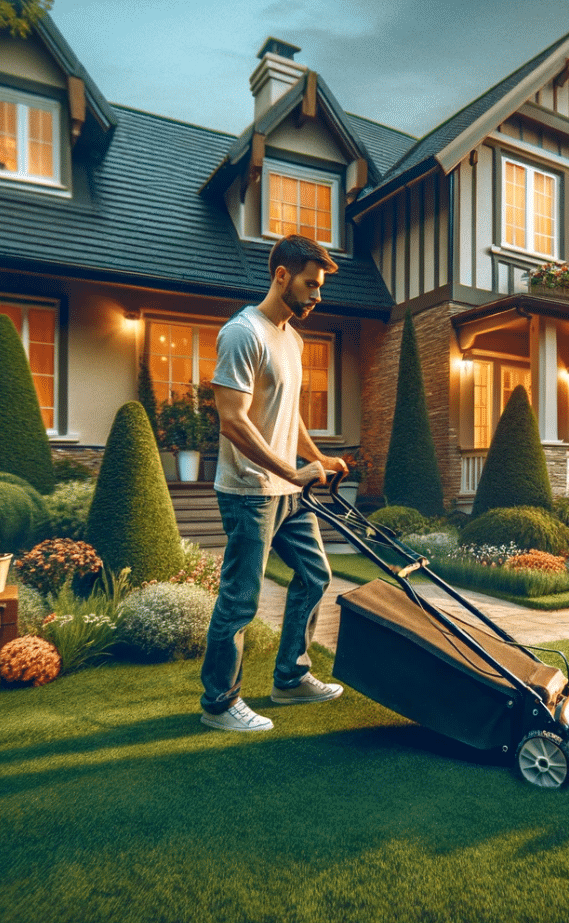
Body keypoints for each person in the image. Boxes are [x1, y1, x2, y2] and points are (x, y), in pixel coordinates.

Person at [198, 234, 350, 732]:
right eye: (311, 284)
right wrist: (290, 470)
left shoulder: (293, 338)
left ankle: (290, 678)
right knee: (240, 598)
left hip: (290, 492)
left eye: (321, 286)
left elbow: (288, 412)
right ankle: (219, 703)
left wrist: (315, 457)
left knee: (315, 575)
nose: (317, 295)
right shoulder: (244, 333)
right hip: (249, 492)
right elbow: (233, 421)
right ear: (281, 275)